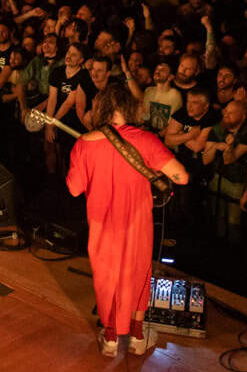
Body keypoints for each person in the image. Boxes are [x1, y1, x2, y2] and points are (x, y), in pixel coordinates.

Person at [67, 82, 188, 357]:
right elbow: (181, 176)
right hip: (137, 223)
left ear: (101, 108)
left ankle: (110, 338)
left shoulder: (83, 144)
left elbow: (74, 188)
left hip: (102, 225)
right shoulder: (146, 140)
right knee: (138, 274)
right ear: (129, 108)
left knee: (106, 277)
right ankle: (136, 337)